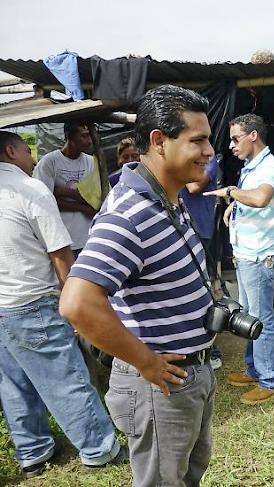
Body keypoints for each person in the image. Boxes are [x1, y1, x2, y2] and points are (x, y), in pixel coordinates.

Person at [59, 85, 217, 486]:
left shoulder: (168, 198)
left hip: (190, 374)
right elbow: (77, 304)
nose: (210, 150)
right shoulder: (127, 214)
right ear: (159, 142)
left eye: (209, 139)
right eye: (198, 140)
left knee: (186, 477)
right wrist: (145, 361)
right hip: (159, 386)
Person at [0, 131, 124, 477]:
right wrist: (77, 308)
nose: (32, 157)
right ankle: (100, 450)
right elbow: (60, 254)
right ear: (11, 151)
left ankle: (33, 453)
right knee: (66, 377)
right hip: (32, 301)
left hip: (2, 305)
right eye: (27, 150)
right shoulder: (30, 188)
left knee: (13, 384)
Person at [206, 113, 274, 405]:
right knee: (249, 317)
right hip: (248, 255)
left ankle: (271, 381)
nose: (231, 145)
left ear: (253, 135)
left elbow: (262, 197)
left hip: (259, 257)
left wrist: (230, 192)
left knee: (261, 319)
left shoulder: (269, 168)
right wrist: (234, 207)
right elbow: (251, 199)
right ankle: (254, 370)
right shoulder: (252, 165)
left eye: (235, 138)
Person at [180, 153, 225, 370]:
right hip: (182, 229)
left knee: (204, 292)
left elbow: (194, 187)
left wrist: (172, 169)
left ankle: (212, 349)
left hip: (201, 231)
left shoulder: (210, 159)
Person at [33, 121, 97, 258]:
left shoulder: (91, 162)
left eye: (90, 136)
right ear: (69, 136)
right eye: (84, 136)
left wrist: (61, 192)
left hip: (88, 238)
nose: (89, 141)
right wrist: (81, 206)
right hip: (63, 240)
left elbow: (96, 200)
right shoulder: (49, 162)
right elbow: (44, 202)